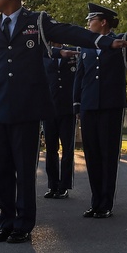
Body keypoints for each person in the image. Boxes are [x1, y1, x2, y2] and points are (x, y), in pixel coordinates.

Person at [0, 0, 127, 244]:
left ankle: (23, 224)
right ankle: (6, 220)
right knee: (0, 167)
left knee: (24, 168)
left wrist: (105, 42)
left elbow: (69, 31)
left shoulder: (35, 21)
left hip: (26, 107)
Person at [74, 3, 127, 218]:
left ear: (103, 22)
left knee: (108, 154)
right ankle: (95, 201)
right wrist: (77, 104)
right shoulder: (86, 46)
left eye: (91, 20)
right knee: (91, 155)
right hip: (89, 105)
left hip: (110, 106)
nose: (88, 23)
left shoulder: (119, 41)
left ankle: (106, 203)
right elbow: (80, 77)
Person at [43, 43, 78, 200]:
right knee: (51, 149)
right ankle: (53, 185)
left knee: (67, 149)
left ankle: (64, 186)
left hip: (67, 108)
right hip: (49, 108)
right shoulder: (45, 55)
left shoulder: (72, 53)